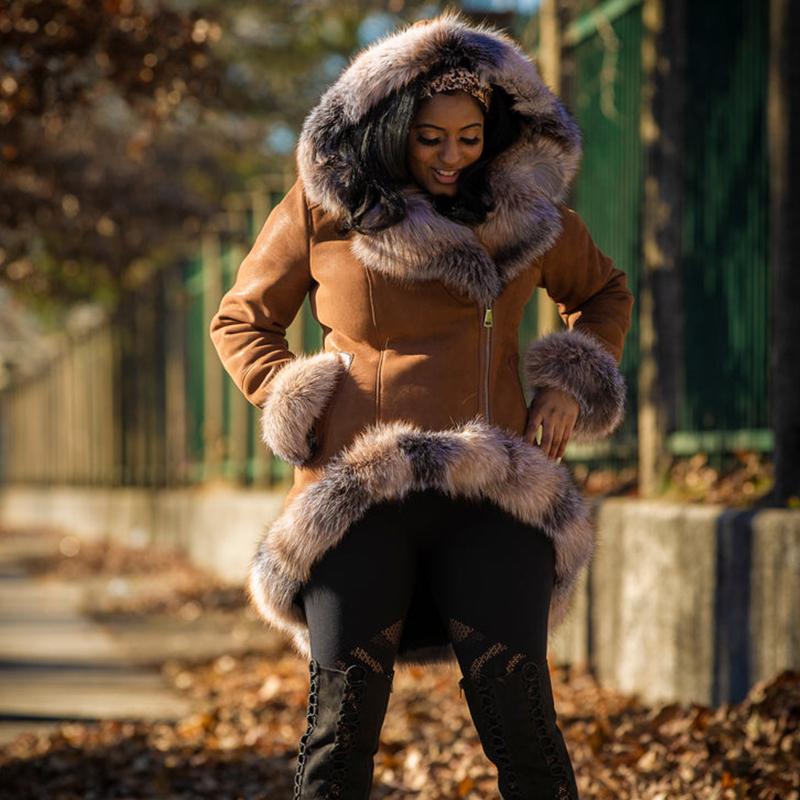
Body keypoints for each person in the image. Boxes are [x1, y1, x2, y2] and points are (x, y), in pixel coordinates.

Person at [209, 10, 634, 800]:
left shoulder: (528, 217)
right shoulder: (324, 208)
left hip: (495, 491)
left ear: (494, 130)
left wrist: (568, 383)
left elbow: (604, 293)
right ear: (394, 125)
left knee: (524, 727)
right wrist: (291, 394)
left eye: (469, 138)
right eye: (430, 138)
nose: (451, 157)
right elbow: (242, 317)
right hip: (355, 494)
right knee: (340, 736)